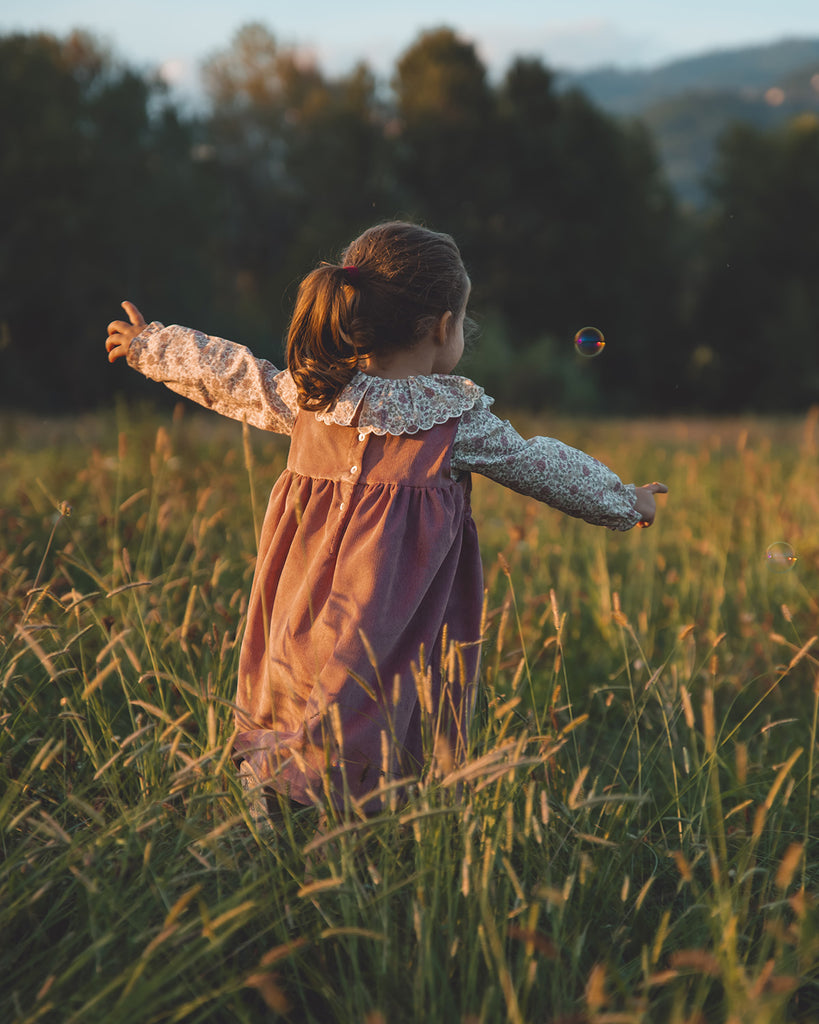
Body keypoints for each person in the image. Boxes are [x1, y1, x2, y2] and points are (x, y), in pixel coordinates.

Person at [105, 221, 667, 816]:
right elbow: (540, 465)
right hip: (389, 616)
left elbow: (236, 374)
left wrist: (152, 346)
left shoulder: (313, 395)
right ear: (444, 326)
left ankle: (275, 804)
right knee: (375, 710)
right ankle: (345, 833)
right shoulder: (452, 421)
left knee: (293, 695)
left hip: (301, 600)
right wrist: (625, 500)